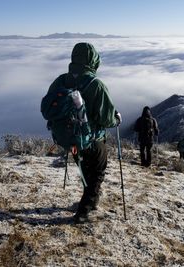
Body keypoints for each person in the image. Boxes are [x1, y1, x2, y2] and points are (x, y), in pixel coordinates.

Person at [48, 43, 121, 223]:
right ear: (93, 60)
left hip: (70, 139)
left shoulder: (61, 81)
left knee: (85, 170)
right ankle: (85, 212)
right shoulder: (96, 85)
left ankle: (91, 201)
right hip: (93, 140)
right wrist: (117, 118)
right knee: (97, 172)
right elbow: (106, 118)